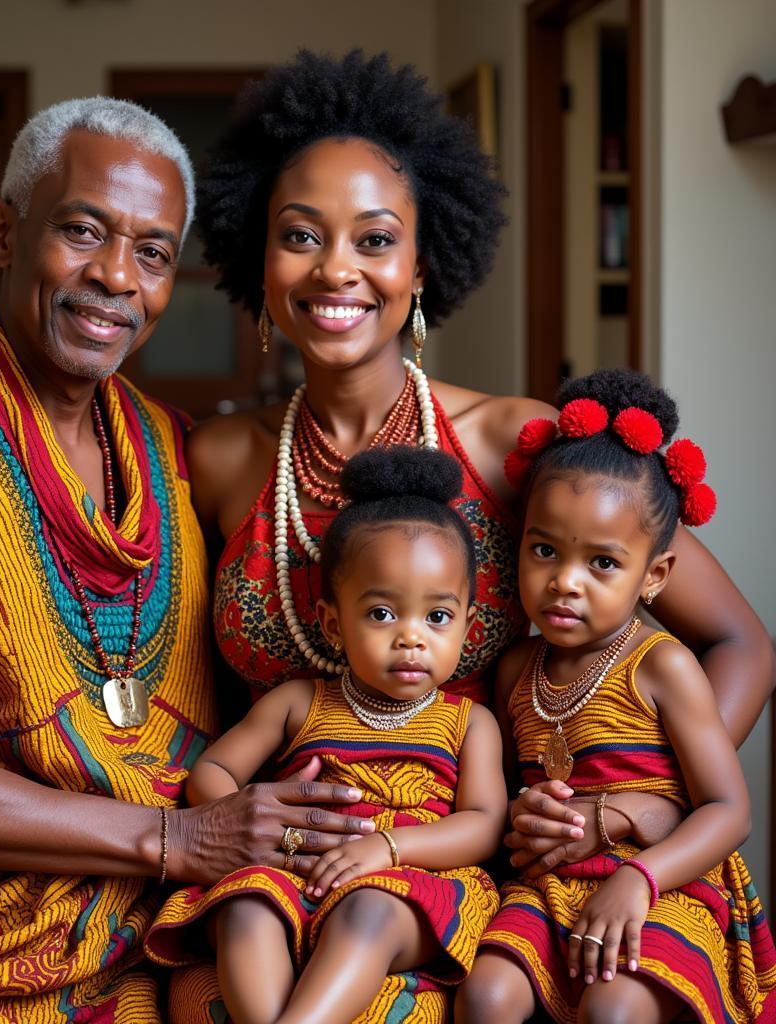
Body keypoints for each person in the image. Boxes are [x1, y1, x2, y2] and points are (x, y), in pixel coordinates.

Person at [0, 98, 374, 1023]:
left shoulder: (171, 447)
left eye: (154, 253)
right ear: (3, 233)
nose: (117, 277)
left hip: (182, 920)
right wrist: (171, 836)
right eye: (83, 231)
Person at [185, 46, 772, 965]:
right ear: (258, 261)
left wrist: (634, 805)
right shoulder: (220, 461)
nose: (337, 269)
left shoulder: (510, 445)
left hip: (487, 875)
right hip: (285, 873)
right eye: (301, 235)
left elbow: (741, 643)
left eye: (375, 240)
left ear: (420, 268)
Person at [455, 369, 776, 1024]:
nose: (564, 583)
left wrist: (639, 877)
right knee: (486, 995)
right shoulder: (518, 667)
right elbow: (514, 792)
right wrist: (527, 815)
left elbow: (728, 810)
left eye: (602, 563)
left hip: (660, 879)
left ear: (654, 575)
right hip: (551, 885)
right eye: (544, 550)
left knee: (615, 1007)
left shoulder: (664, 667)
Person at [146, 447, 506, 1024]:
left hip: (407, 886)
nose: (411, 638)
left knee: (368, 908)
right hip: (295, 872)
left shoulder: (468, 723)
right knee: (244, 905)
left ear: (467, 624)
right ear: (334, 624)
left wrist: (386, 849)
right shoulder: (299, 702)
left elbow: (485, 824)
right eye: (383, 614)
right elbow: (211, 774)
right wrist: (259, 828)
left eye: (437, 617)